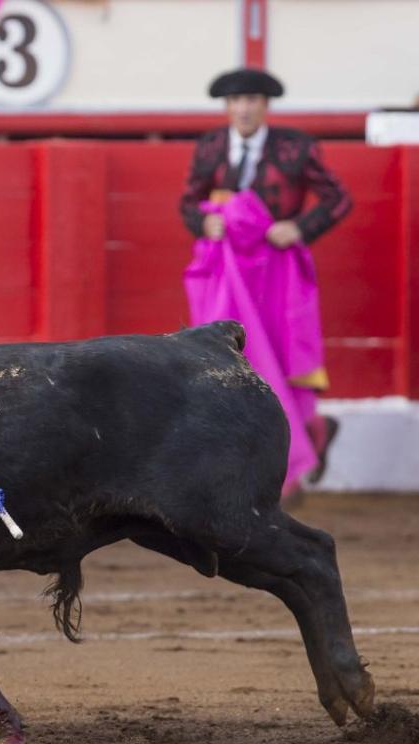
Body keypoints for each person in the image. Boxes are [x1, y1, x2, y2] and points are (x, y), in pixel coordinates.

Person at [179, 67, 350, 498]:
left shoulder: (294, 147)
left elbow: (338, 198)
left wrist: (300, 228)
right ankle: (287, 446)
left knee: (279, 351)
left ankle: (297, 446)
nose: (243, 108)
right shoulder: (212, 146)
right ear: (227, 107)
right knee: (231, 354)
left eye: (252, 100)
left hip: (277, 269)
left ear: (265, 105)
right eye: (236, 101)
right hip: (229, 268)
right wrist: (203, 224)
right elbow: (186, 203)